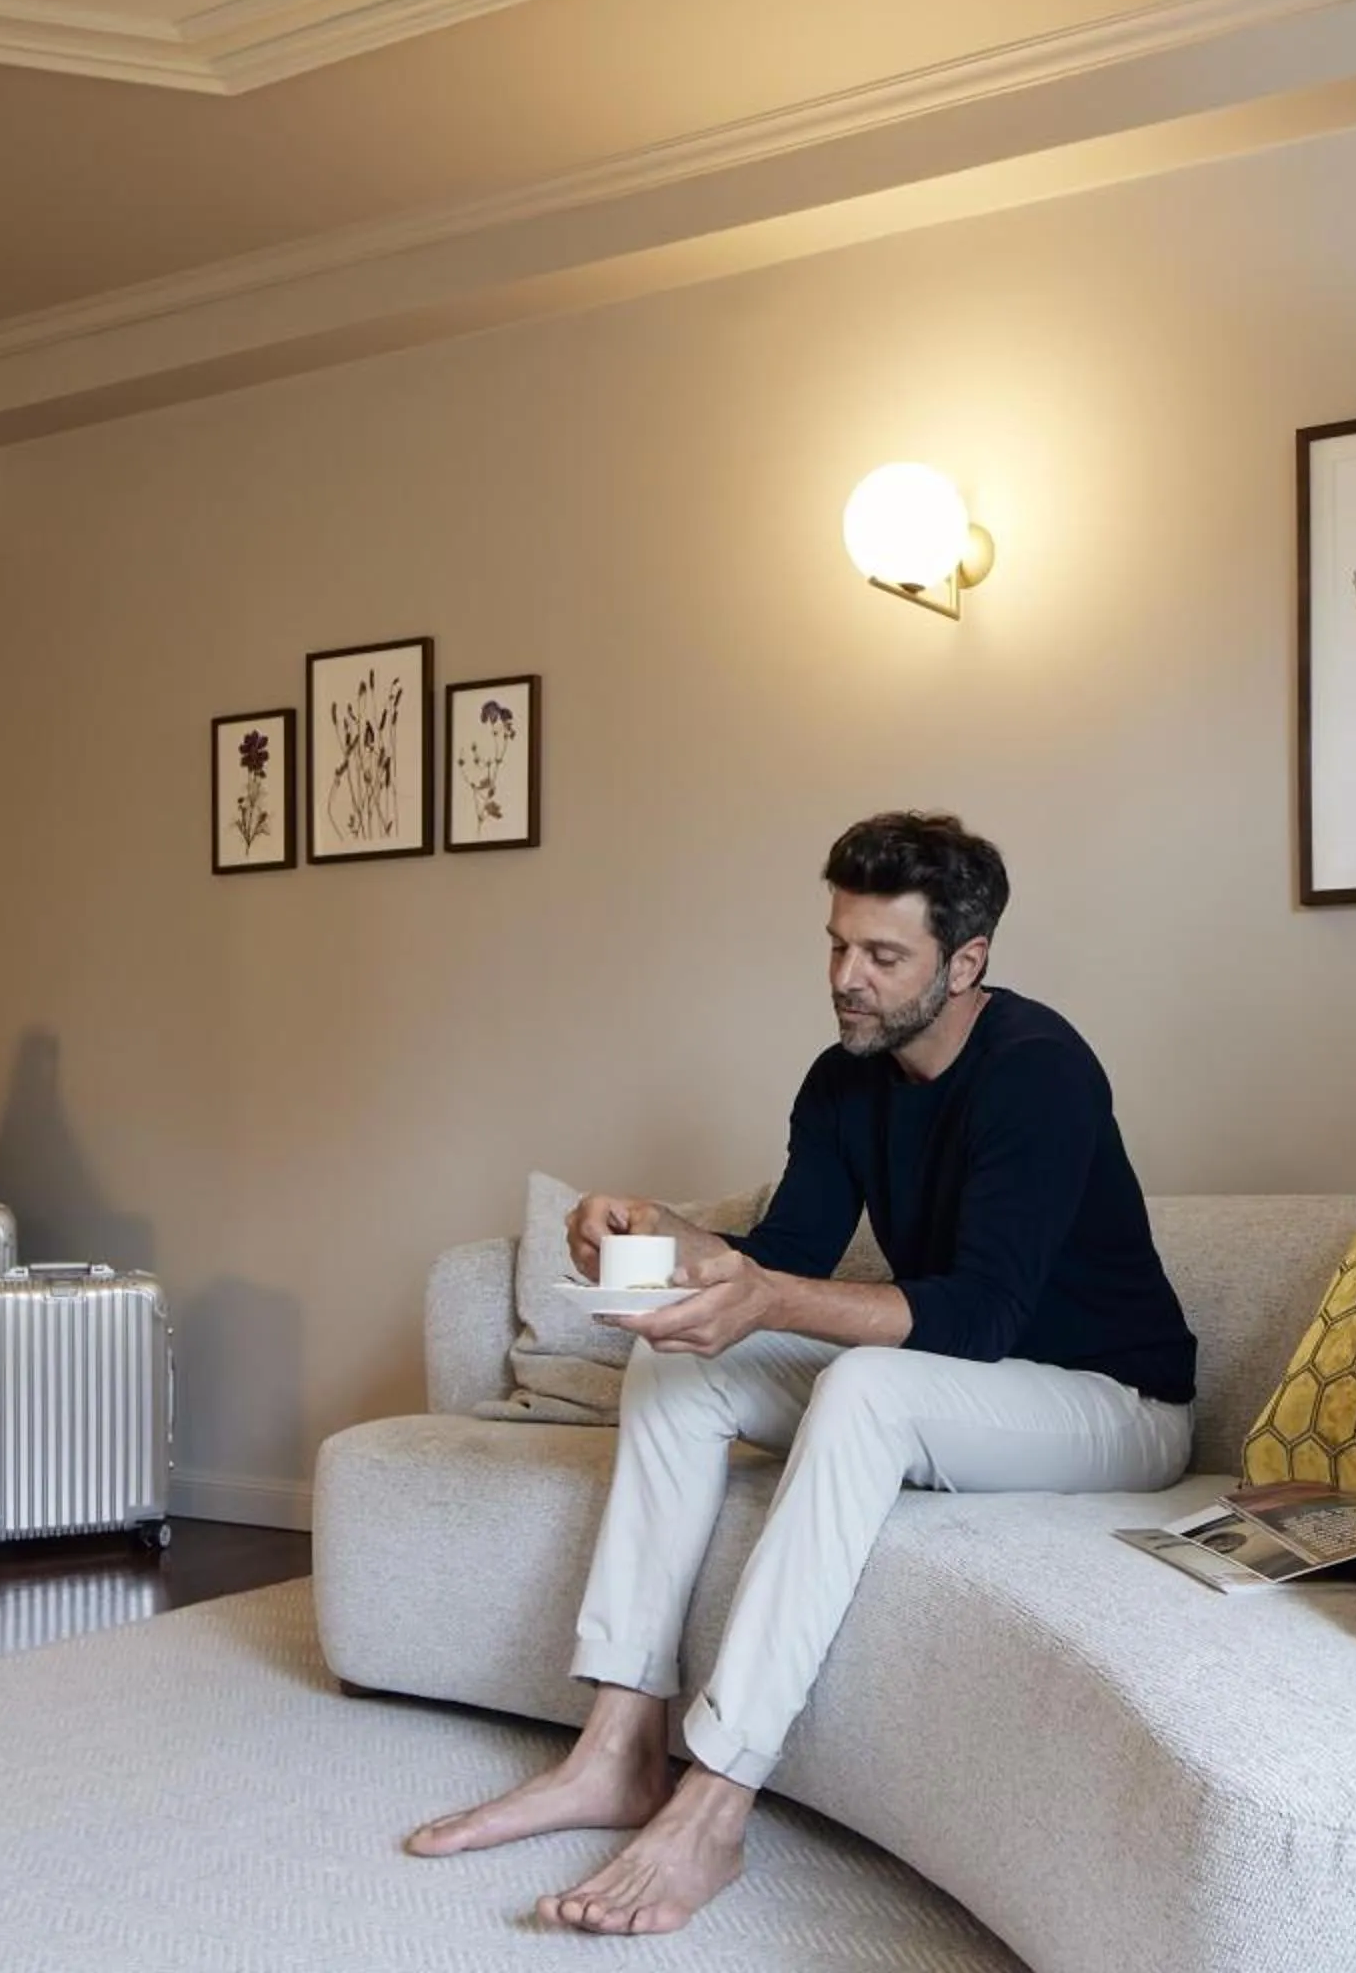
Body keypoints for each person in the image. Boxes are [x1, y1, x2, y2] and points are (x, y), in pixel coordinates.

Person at [406, 810, 1197, 1935]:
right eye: (836, 944)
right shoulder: (844, 1078)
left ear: (966, 960)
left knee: (863, 1386)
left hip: (1111, 1400)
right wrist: (657, 1230)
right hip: (972, 1388)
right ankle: (619, 1745)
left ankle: (718, 1799)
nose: (846, 978)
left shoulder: (1040, 1071)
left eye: (883, 956)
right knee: (681, 1361)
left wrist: (767, 1301)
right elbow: (783, 1259)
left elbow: (979, 1313)